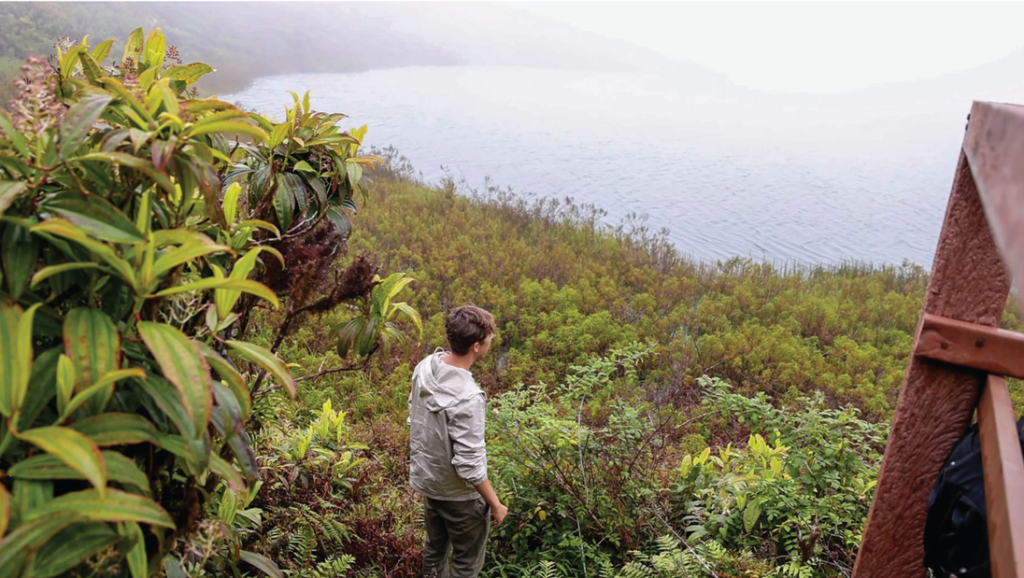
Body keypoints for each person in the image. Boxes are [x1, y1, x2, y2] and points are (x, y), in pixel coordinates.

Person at [408, 305, 509, 578]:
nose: (492, 340)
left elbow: (414, 418)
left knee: (435, 548)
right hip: (461, 497)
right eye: (489, 337)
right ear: (477, 346)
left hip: (431, 483)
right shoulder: (468, 397)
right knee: (466, 562)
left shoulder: (424, 368)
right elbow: (469, 465)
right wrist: (496, 504)